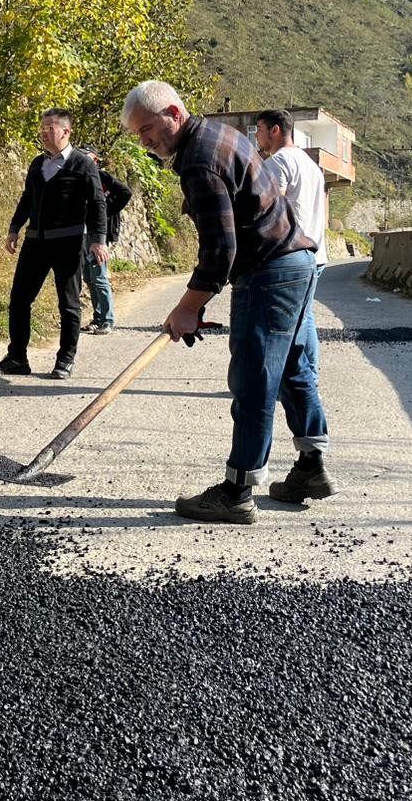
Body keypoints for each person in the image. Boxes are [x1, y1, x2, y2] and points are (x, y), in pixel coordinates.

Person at [121, 81, 332, 524]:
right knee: (292, 366)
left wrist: (187, 307)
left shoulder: (200, 160)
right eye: (138, 135)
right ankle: (311, 468)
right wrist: (195, 305)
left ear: (173, 113)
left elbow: (220, 251)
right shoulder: (221, 136)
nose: (145, 142)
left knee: (255, 378)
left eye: (147, 130)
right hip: (298, 263)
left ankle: (237, 491)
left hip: (270, 271)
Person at [0, 109, 108, 381]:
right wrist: (14, 228)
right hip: (35, 243)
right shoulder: (36, 164)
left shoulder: (83, 164)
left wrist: (98, 240)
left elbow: (98, 202)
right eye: (42, 128)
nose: (43, 132)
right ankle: (17, 357)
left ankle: (65, 359)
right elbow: (27, 197)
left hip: (68, 244)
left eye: (49, 128)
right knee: (19, 299)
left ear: (66, 132)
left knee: (68, 304)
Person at [253, 109, 328, 385]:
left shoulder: (279, 161)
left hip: (292, 255)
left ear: (275, 130)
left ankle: (304, 379)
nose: (257, 137)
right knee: (305, 317)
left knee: (297, 321)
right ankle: (308, 378)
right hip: (316, 253)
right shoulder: (310, 165)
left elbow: (272, 209)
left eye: (259, 129)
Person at [82, 149, 133, 335]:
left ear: (95, 160)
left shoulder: (101, 176)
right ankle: (97, 318)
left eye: (87, 157)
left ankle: (107, 320)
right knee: (89, 277)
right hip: (85, 233)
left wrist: (106, 209)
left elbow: (126, 193)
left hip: (99, 236)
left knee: (99, 277)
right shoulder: (82, 176)